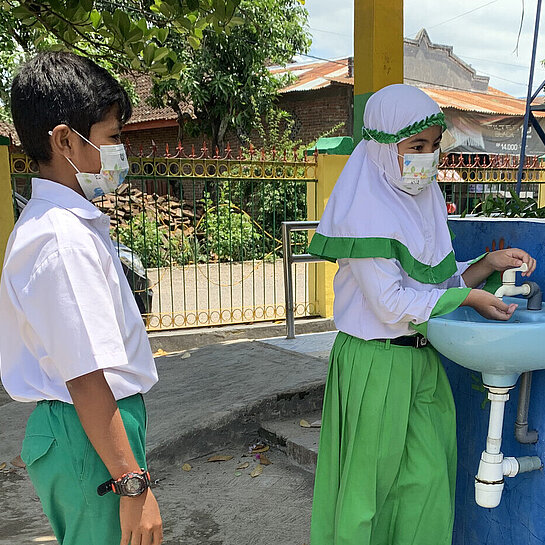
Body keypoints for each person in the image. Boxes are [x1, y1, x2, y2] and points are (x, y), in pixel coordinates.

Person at [307, 84, 536, 545]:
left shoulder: (423, 203)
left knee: (428, 482)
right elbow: (390, 303)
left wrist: (485, 268)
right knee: (367, 495)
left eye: (433, 146)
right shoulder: (365, 210)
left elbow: (438, 289)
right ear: (380, 147)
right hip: (375, 363)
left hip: (422, 361)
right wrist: (467, 301)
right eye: (415, 147)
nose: (427, 158)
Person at [0, 52, 163, 545]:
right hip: (86, 433)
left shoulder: (70, 226)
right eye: (112, 137)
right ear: (65, 140)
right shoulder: (59, 240)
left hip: (90, 431)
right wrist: (133, 486)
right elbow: (86, 378)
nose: (121, 150)